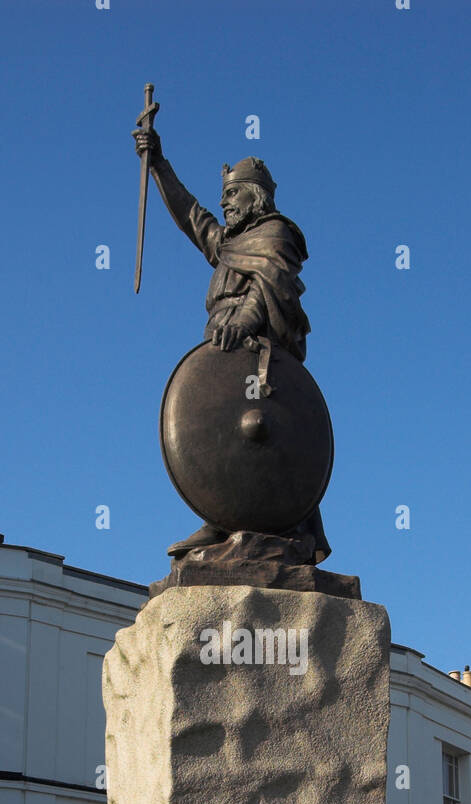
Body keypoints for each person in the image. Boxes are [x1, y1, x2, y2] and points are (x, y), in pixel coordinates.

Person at [133, 126, 330, 563]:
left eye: (232, 193)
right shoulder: (230, 244)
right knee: (221, 439)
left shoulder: (276, 235)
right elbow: (191, 216)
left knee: (264, 434)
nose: (224, 202)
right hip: (222, 347)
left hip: (255, 352)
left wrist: (244, 319)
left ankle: (290, 529)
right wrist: (160, 164)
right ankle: (221, 520)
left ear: (255, 197)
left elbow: (272, 283)